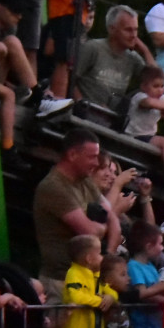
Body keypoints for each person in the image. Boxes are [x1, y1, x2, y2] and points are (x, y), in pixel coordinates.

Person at [33, 128, 119, 303]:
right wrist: (102, 228)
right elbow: (89, 232)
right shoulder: (53, 187)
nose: (96, 162)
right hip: (61, 281)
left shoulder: (85, 181)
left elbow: (114, 220)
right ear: (72, 154)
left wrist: (108, 255)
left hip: (89, 279)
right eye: (92, 157)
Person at [73, 4, 155, 109]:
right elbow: (70, 79)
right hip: (84, 114)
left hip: (109, 119)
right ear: (112, 29)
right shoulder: (93, 48)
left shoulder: (133, 58)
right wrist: (81, 103)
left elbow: (156, 82)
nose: (134, 35)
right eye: (128, 30)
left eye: (136, 30)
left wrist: (145, 50)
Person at [125, 66, 164, 185]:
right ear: (143, 87)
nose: (160, 90)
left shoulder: (161, 98)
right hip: (135, 135)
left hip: (148, 136)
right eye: (155, 86)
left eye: (162, 86)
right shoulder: (140, 97)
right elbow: (149, 103)